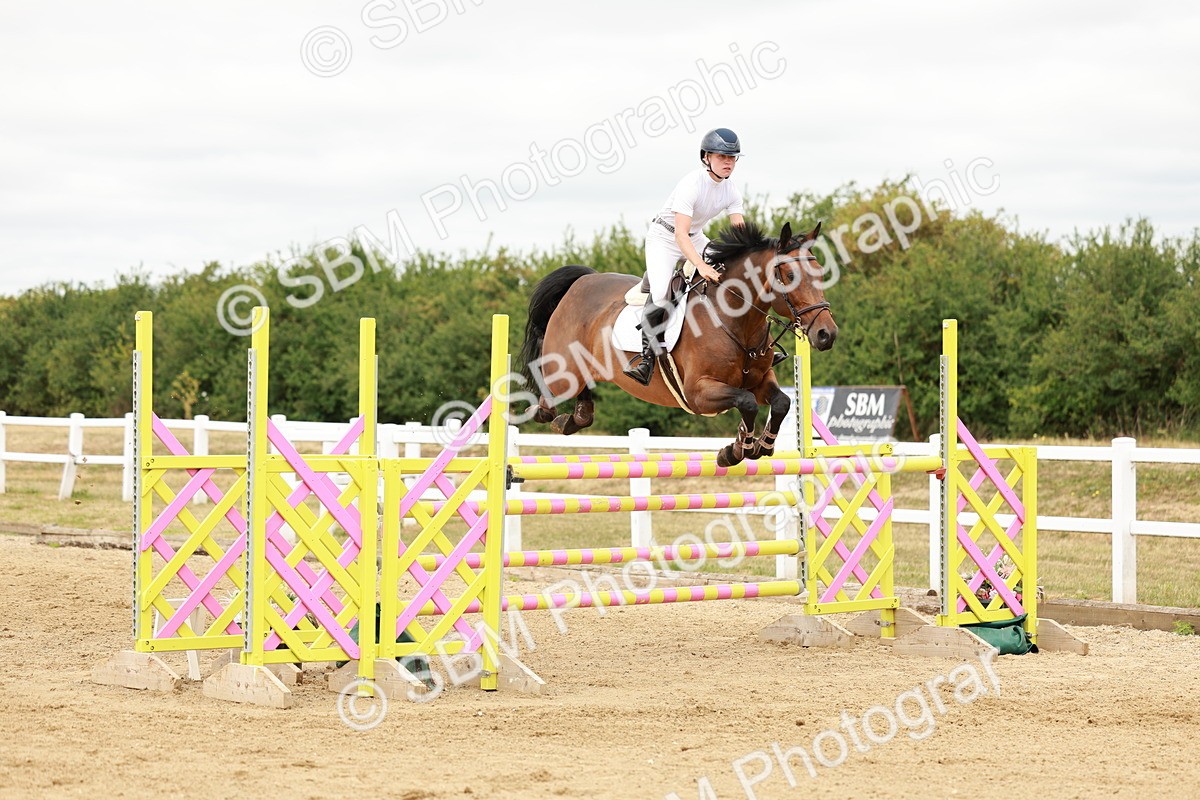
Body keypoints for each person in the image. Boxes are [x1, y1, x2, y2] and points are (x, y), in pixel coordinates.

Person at [623, 127, 746, 386]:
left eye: (732, 158)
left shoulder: (732, 191)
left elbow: (740, 234)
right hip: (665, 239)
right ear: (706, 157)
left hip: (696, 237)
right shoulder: (691, 184)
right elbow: (680, 235)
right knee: (661, 294)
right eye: (722, 157)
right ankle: (646, 358)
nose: (728, 162)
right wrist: (701, 265)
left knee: (733, 268)